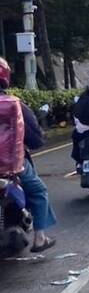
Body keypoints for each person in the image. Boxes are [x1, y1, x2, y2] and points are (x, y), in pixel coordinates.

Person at [0, 56, 57, 252]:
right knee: (39, 192)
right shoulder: (15, 104)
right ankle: (40, 238)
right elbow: (35, 138)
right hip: (12, 166)